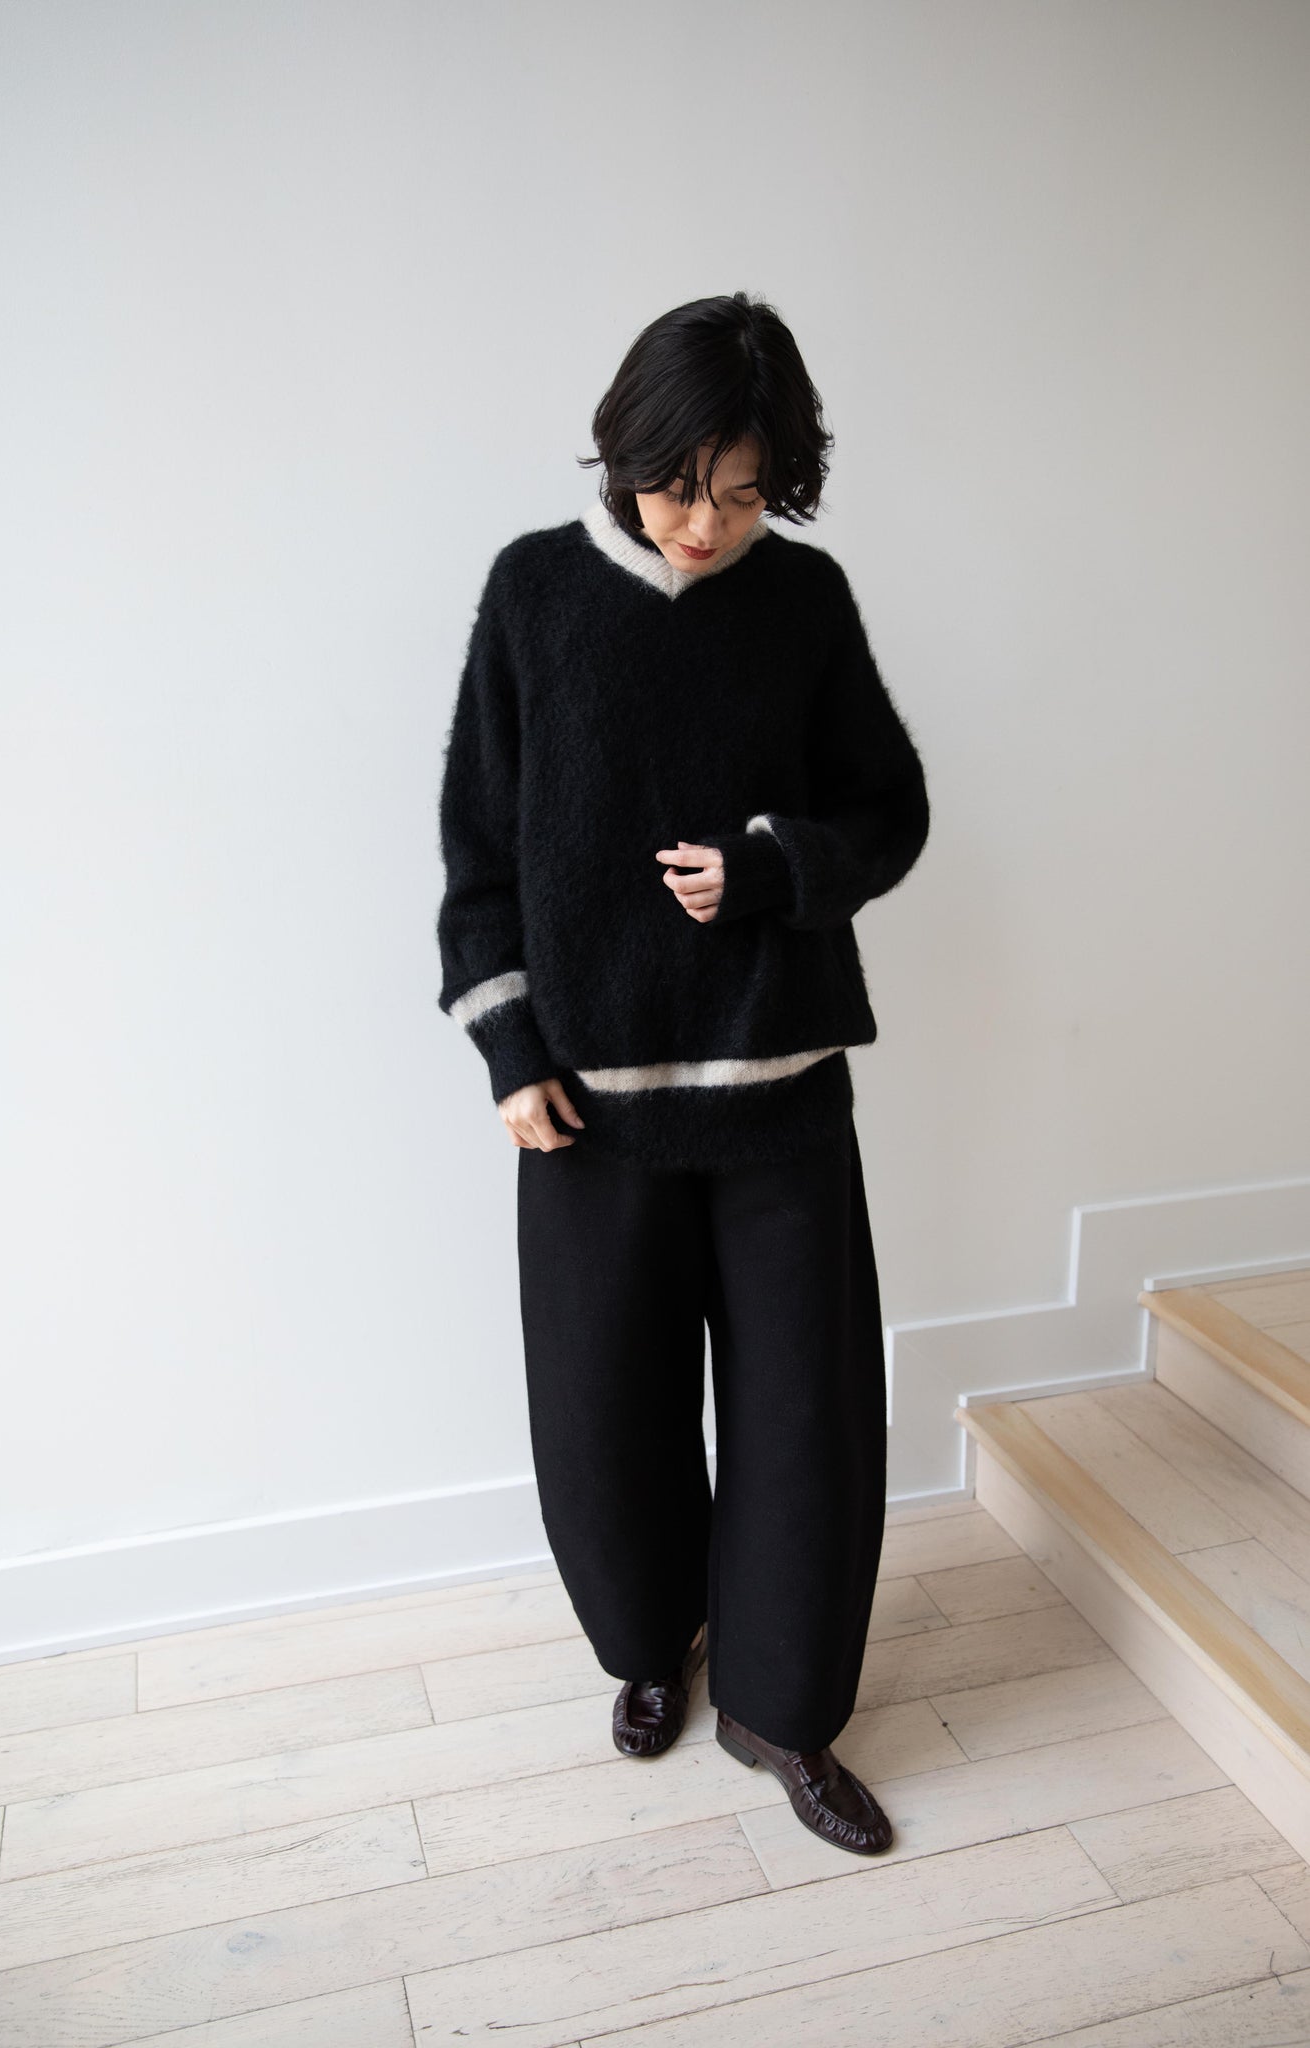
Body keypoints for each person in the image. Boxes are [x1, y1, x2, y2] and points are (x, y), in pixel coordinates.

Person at [434, 290, 930, 1855]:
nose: (707, 523)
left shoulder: (804, 599)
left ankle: (782, 1712)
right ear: (621, 453)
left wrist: (774, 866)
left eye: (743, 491)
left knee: (805, 1418)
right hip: (588, 1109)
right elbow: (476, 848)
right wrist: (509, 1044)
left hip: (778, 1090)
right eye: (677, 486)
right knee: (603, 1415)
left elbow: (889, 808)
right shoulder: (533, 594)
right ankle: (653, 1649)